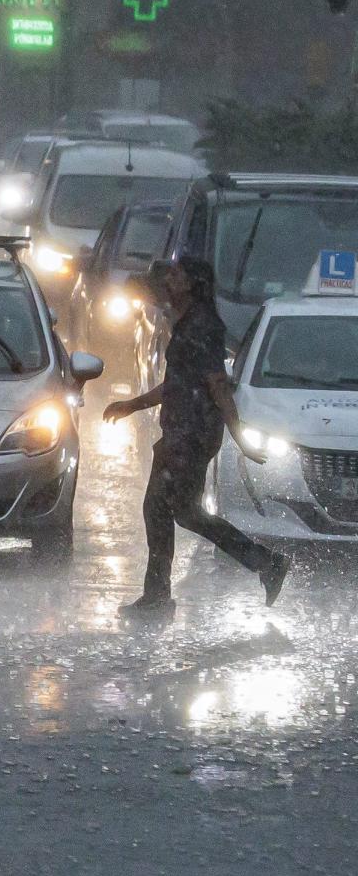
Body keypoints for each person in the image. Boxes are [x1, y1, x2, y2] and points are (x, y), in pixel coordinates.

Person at [104, 257, 290, 619]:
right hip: (183, 431)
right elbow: (178, 383)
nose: (169, 279)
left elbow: (217, 385)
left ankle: (163, 595)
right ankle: (263, 563)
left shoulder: (202, 326)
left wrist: (239, 435)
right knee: (183, 512)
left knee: (163, 508)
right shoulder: (187, 322)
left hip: (191, 435)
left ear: (192, 283)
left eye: (176, 274)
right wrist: (133, 404)